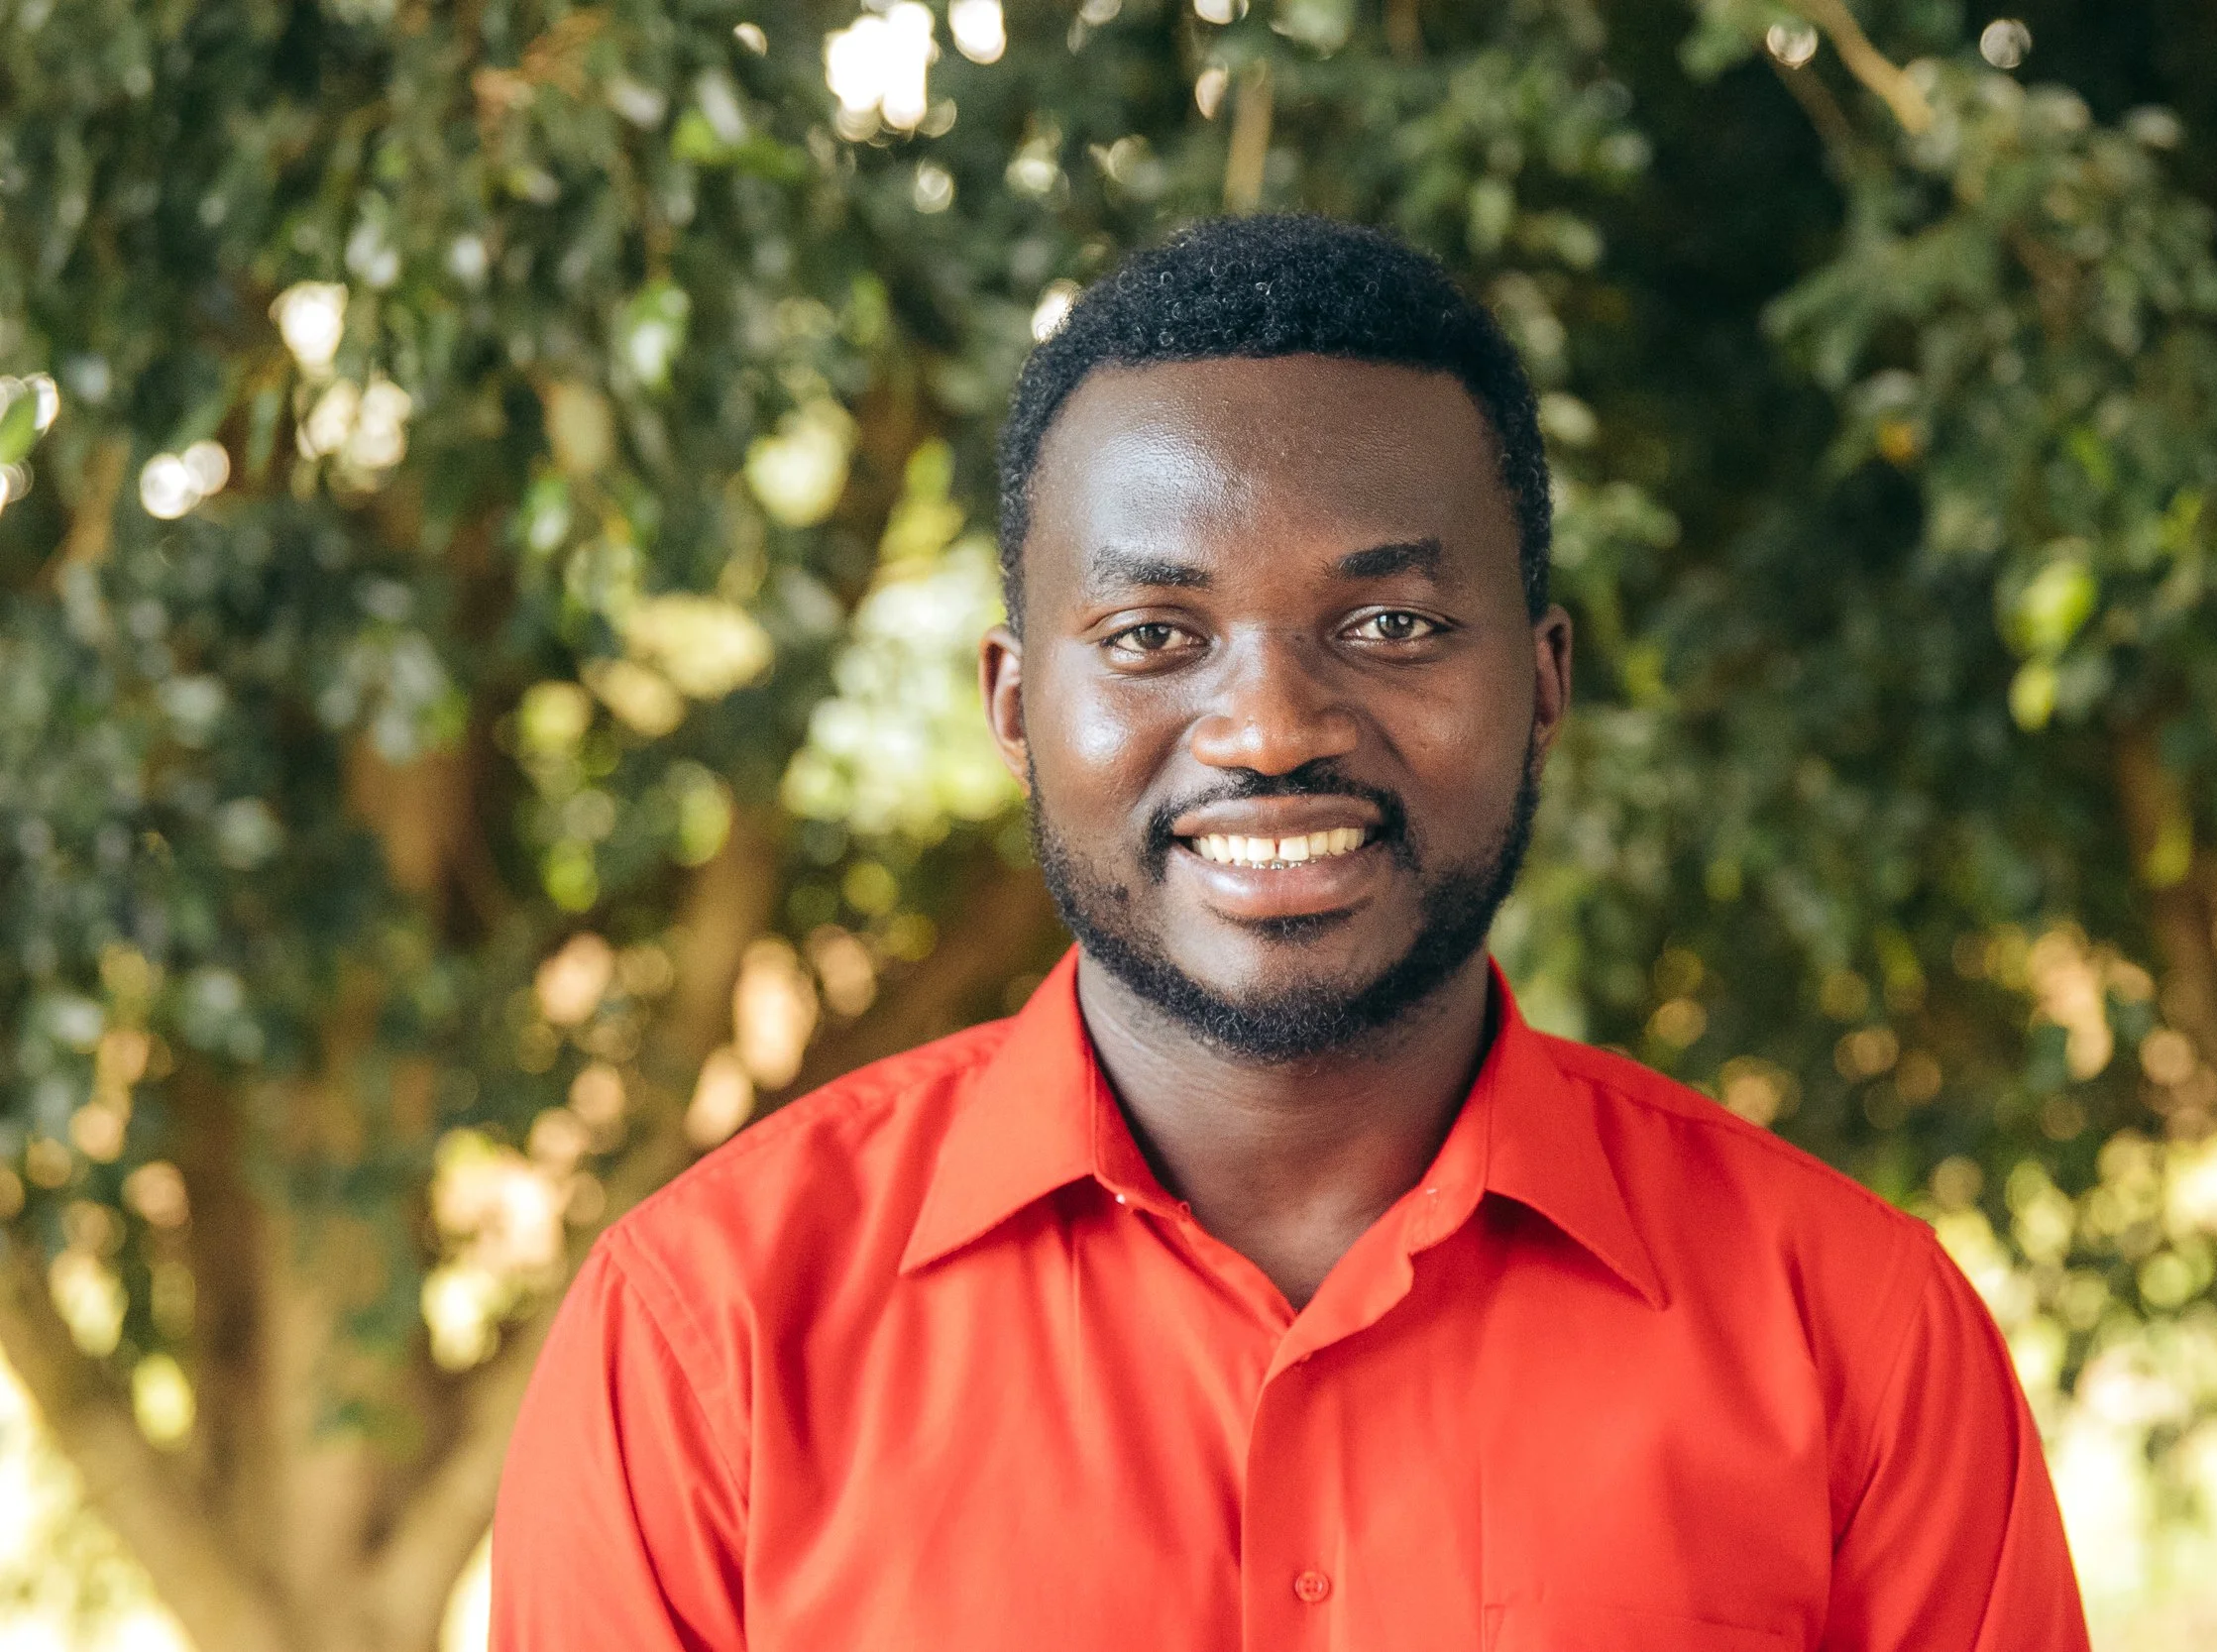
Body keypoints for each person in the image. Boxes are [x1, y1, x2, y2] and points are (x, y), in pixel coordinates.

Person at [492, 214, 2089, 1651]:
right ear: (1011, 703)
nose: (1266, 726)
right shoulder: (700, 1343)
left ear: (1541, 684)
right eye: (1151, 635)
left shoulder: (1855, 1333)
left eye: (1388, 624)